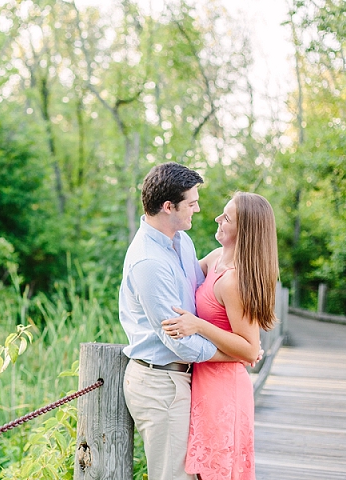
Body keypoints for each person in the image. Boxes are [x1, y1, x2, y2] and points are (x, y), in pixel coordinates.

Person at [119, 162, 241, 480]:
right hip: (161, 383)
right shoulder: (149, 262)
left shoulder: (181, 241)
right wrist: (235, 353)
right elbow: (181, 342)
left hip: (182, 381)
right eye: (192, 202)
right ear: (168, 206)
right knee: (171, 477)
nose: (198, 209)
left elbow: (203, 288)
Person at [161, 191, 279, 480]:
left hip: (223, 391)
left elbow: (251, 350)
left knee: (215, 473)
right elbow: (181, 278)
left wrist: (199, 326)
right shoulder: (216, 260)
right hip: (204, 383)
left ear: (245, 230)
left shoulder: (235, 281)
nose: (217, 218)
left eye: (226, 217)